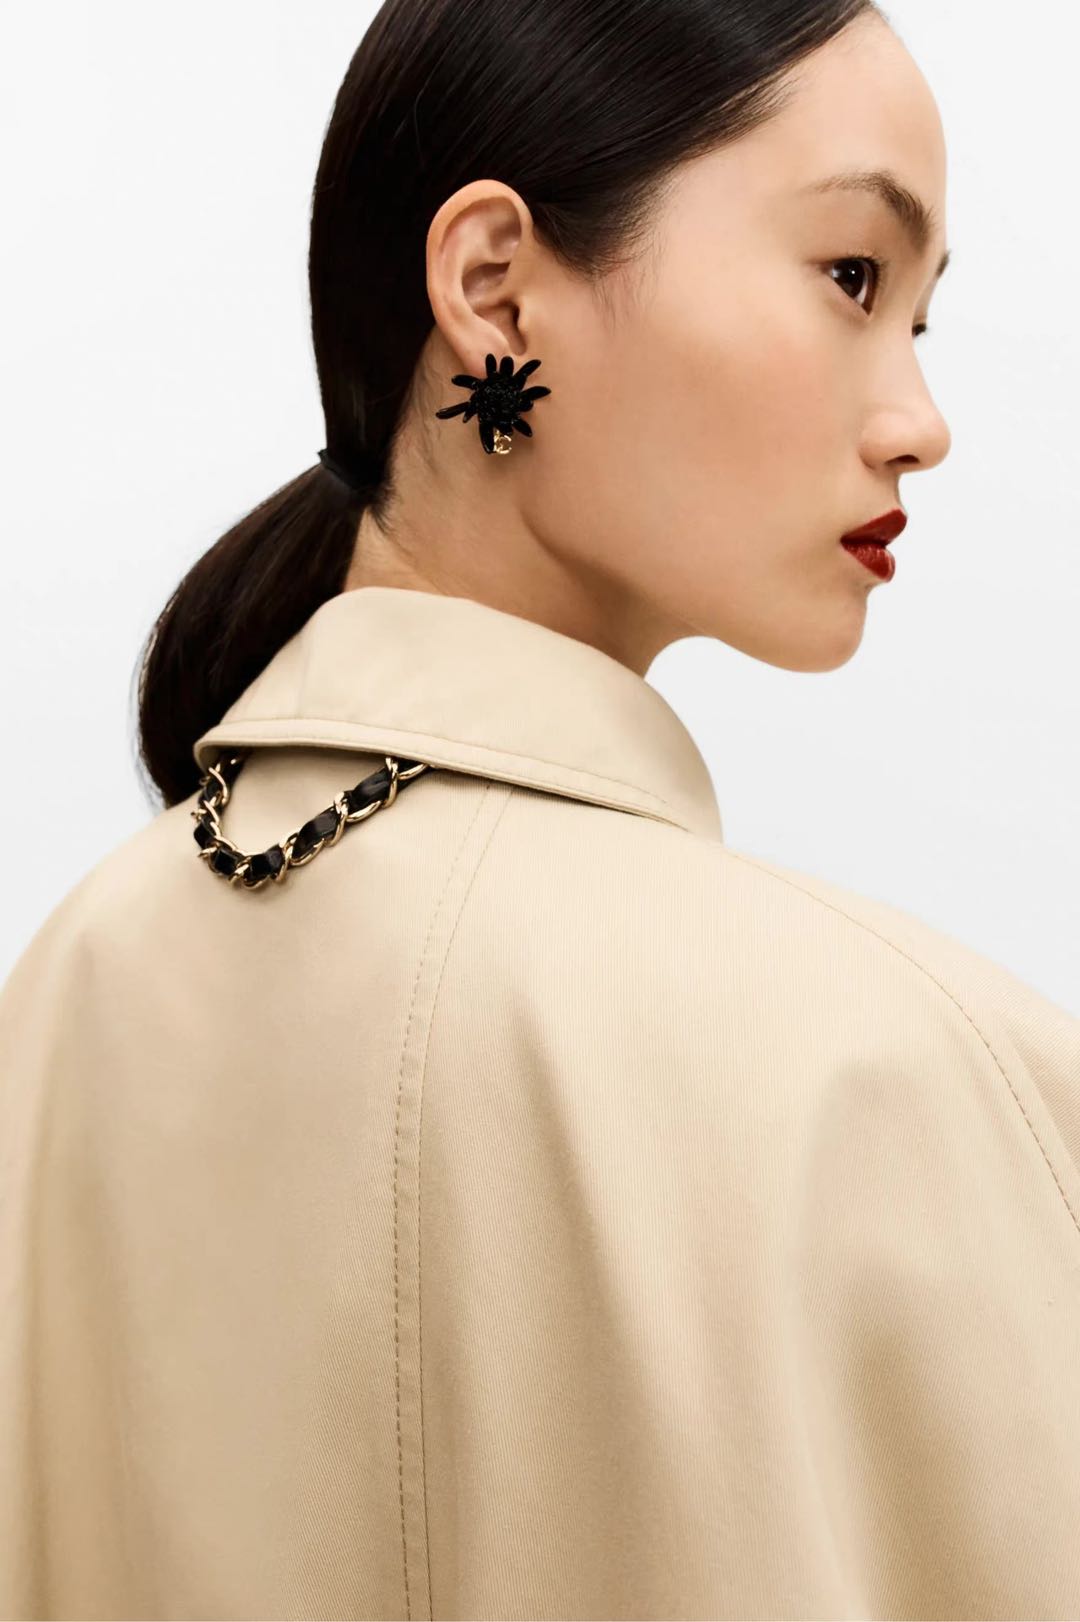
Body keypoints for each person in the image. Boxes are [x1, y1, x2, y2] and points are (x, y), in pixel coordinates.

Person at [2, 0, 1078, 1616]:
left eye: (917, 317)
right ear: (496, 287)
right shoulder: (918, 1075)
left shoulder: (70, 987)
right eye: (853, 276)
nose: (920, 418)